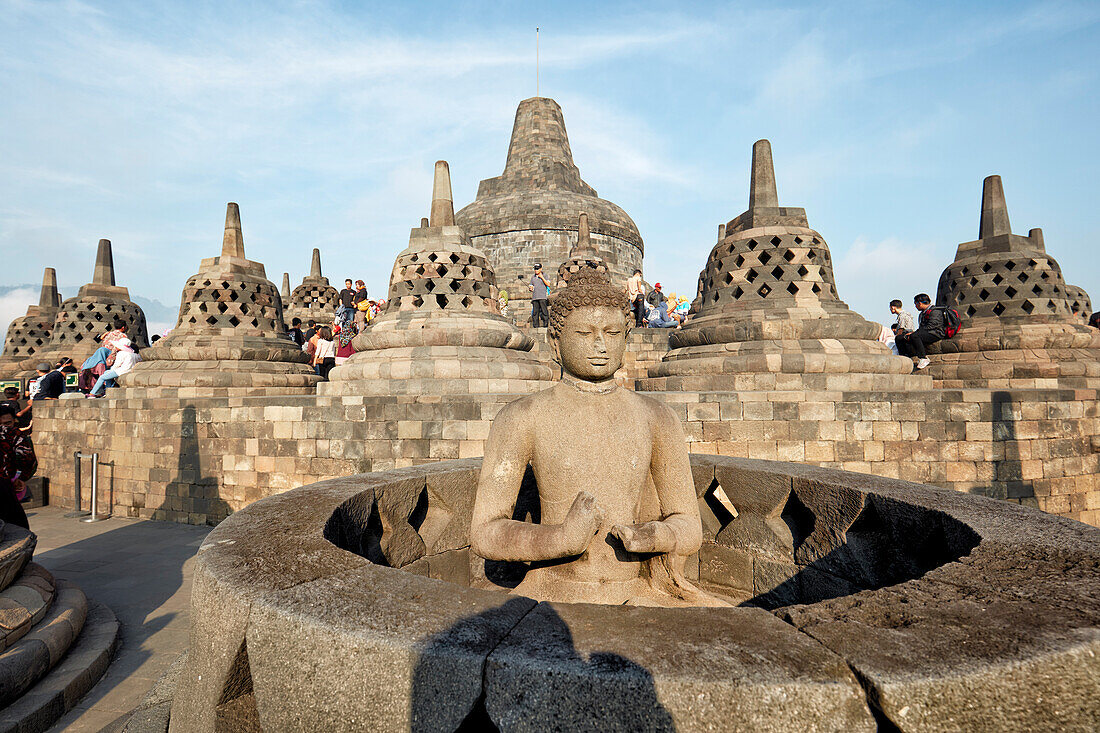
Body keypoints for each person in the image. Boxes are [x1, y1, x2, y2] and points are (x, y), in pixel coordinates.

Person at [470, 270, 724, 607]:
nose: (601, 346)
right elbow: (485, 533)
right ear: (555, 343)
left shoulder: (657, 418)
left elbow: (690, 527)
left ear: (626, 338)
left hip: (638, 593)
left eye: (612, 333)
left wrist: (653, 535)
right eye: (585, 333)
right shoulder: (522, 417)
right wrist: (560, 539)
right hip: (551, 593)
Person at [0, 402, 36, 529]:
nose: (4, 427)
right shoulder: (14, 434)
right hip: (4, 488)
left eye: (7, 423)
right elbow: (28, 458)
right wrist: (20, 477)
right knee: (17, 530)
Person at [895, 293, 946, 370]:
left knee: (915, 336)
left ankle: (923, 358)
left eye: (915, 304)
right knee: (900, 338)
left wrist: (915, 333)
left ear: (920, 303)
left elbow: (932, 326)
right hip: (926, 332)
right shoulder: (922, 313)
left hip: (936, 332)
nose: (915, 306)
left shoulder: (935, 311)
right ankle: (904, 357)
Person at [529, 264, 551, 328]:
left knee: (544, 311)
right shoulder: (533, 277)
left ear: (541, 269)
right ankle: (535, 326)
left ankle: (546, 325)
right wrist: (530, 288)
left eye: (537, 268)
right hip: (535, 297)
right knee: (535, 313)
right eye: (535, 269)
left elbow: (548, 284)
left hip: (542, 297)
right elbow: (531, 285)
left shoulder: (545, 275)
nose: (536, 270)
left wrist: (542, 277)